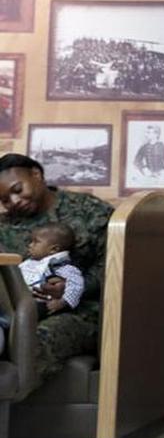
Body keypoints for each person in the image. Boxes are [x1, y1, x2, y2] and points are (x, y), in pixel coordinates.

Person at [0, 154, 113, 389]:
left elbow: (113, 268)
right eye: (5, 200)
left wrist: (69, 289)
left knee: (28, 339)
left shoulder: (89, 211)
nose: (14, 201)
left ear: (36, 174)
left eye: (17, 189)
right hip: (18, 309)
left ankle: (14, 397)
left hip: (79, 311)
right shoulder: (4, 226)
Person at [19, 223, 84, 320]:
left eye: (35, 242)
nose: (30, 245)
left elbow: (76, 285)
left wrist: (62, 302)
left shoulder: (61, 267)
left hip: (40, 303)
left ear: (54, 249)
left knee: (24, 312)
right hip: (19, 299)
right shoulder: (29, 262)